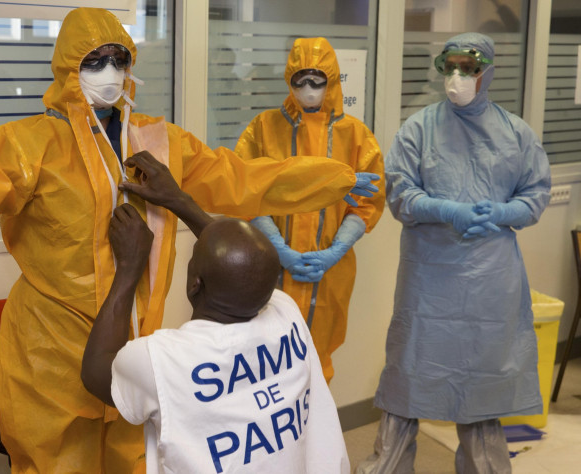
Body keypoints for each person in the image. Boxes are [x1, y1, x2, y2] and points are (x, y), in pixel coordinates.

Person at [0, 8, 377, 473]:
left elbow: (243, 178)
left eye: (118, 59)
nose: (109, 73)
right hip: (49, 353)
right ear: (67, 69)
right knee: (55, 465)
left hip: (132, 339)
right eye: (93, 62)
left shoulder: (157, 143)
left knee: (134, 458)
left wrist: (334, 177)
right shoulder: (30, 144)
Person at [81, 152, 349, 473]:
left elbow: (96, 373)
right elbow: (246, 261)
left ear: (195, 284)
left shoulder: (162, 360)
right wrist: (179, 199)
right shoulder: (285, 311)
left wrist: (128, 268)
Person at [357, 33, 550, 473]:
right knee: (409, 376)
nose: (458, 77)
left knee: (481, 386)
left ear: (488, 71)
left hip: (490, 280)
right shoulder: (418, 129)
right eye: (451, 67)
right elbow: (401, 194)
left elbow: (535, 195)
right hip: (429, 280)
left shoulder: (516, 133)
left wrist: (502, 211)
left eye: (469, 68)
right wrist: (446, 209)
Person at [236, 37, 385, 383]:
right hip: (269, 263)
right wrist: (280, 249)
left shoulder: (356, 134)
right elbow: (245, 190)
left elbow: (368, 202)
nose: (308, 89)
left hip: (329, 272)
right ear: (289, 80)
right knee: (263, 355)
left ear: (332, 81)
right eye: (300, 80)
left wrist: (334, 252)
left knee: (316, 359)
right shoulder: (263, 128)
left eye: (317, 80)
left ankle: (313, 431)